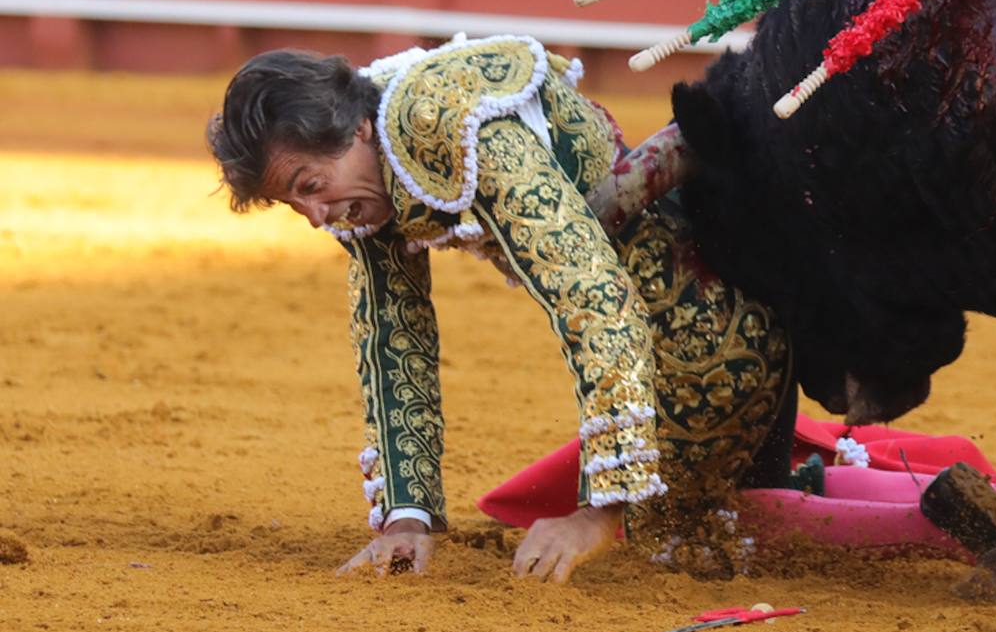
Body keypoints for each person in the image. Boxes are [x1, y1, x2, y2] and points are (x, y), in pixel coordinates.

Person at [207, 34, 798, 581]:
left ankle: (797, 482)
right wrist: (406, 519)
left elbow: (594, 296)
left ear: (357, 129)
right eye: (294, 204)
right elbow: (394, 337)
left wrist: (599, 511)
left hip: (713, 330)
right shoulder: (362, 178)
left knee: (680, 541)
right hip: (651, 344)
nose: (315, 217)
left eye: (310, 186)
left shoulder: (448, 125)